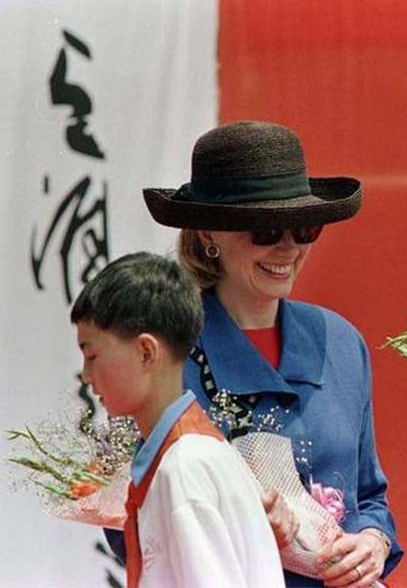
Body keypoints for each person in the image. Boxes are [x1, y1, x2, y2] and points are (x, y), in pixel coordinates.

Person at [106, 120, 402, 587]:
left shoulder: (342, 341)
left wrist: (372, 541)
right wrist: (235, 518)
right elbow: (123, 524)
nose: (288, 247)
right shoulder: (160, 353)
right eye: (264, 231)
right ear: (209, 234)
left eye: (304, 228)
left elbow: (369, 496)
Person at [71, 252, 285, 588]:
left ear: (146, 352)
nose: (86, 375)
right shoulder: (192, 452)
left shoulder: (184, 467)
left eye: (91, 354)